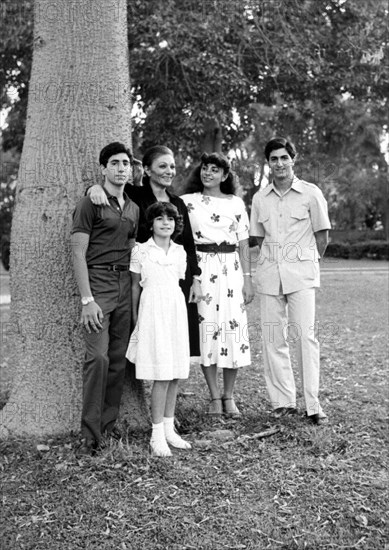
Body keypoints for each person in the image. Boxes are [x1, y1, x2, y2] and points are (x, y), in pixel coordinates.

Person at [88, 145, 202, 355]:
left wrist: (196, 277)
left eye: (172, 166)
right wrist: (93, 189)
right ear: (148, 170)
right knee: (147, 330)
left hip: (175, 277)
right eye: (163, 166)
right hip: (144, 276)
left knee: (174, 334)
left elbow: (188, 244)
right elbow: (110, 190)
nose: (169, 171)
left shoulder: (178, 203)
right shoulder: (134, 194)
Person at [249, 137, 331, 425]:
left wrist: (305, 261)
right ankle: (283, 403)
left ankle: (312, 405)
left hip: (301, 276)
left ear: (293, 160)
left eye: (284, 157)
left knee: (305, 338)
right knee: (274, 339)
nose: (280, 163)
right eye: (274, 159)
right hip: (270, 275)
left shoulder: (311, 193)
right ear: (268, 163)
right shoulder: (260, 198)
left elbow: (322, 237)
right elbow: (258, 238)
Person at [71, 142, 139, 455]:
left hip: (125, 283)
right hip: (97, 283)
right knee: (97, 358)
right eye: (114, 163)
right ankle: (89, 435)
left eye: (126, 163)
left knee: (116, 361)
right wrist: (87, 299)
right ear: (104, 168)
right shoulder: (90, 202)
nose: (121, 168)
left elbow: (133, 249)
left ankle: (107, 430)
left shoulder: (133, 208)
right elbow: (77, 252)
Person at [181, 152, 254, 418]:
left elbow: (244, 242)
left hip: (231, 269)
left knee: (231, 330)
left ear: (225, 175)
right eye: (205, 168)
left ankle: (229, 395)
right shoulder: (187, 202)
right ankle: (213, 395)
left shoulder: (236, 203)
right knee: (208, 330)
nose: (208, 173)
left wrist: (248, 279)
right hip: (202, 268)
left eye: (215, 170)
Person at [127, 202, 191, 457]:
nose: (166, 223)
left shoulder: (180, 252)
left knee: (174, 372)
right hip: (152, 311)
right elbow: (135, 287)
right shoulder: (141, 251)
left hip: (174, 311)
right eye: (160, 219)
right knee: (161, 374)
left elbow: (177, 285)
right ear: (151, 223)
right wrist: (135, 319)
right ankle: (155, 434)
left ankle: (168, 428)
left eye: (170, 219)